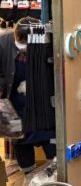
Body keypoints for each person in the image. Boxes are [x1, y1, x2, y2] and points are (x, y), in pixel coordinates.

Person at [0, 17, 55, 172]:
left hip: (42, 104)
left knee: (50, 141)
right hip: (16, 105)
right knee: (20, 142)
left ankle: (55, 176)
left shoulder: (46, 42)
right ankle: (28, 177)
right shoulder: (3, 43)